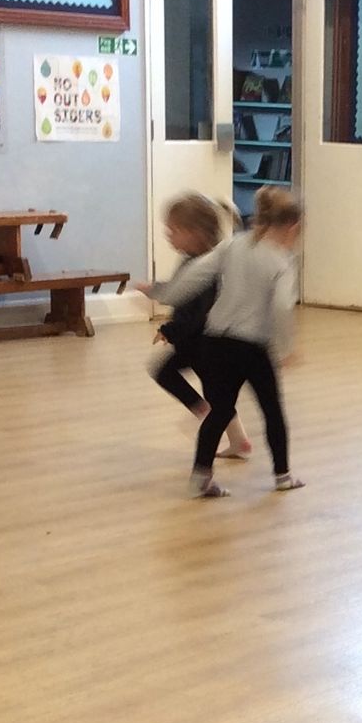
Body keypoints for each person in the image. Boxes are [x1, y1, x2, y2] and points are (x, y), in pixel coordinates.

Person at [137, 185, 303, 499]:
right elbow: (282, 306)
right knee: (272, 411)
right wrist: (286, 347)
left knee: (219, 411)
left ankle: (201, 478)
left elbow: (192, 279)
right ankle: (283, 475)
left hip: (216, 343)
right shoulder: (282, 261)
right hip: (253, 347)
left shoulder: (232, 246)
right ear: (293, 228)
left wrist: (159, 292)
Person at [147, 192, 250, 462]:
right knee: (218, 394)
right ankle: (238, 440)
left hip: (206, 343)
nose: (168, 234)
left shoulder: (205, 266)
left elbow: (197, 314)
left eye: (174, 229)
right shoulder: (194, 260)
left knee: (164, 372)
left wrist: (170, 330)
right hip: (202, 341)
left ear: (195, 233)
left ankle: (206, 415)